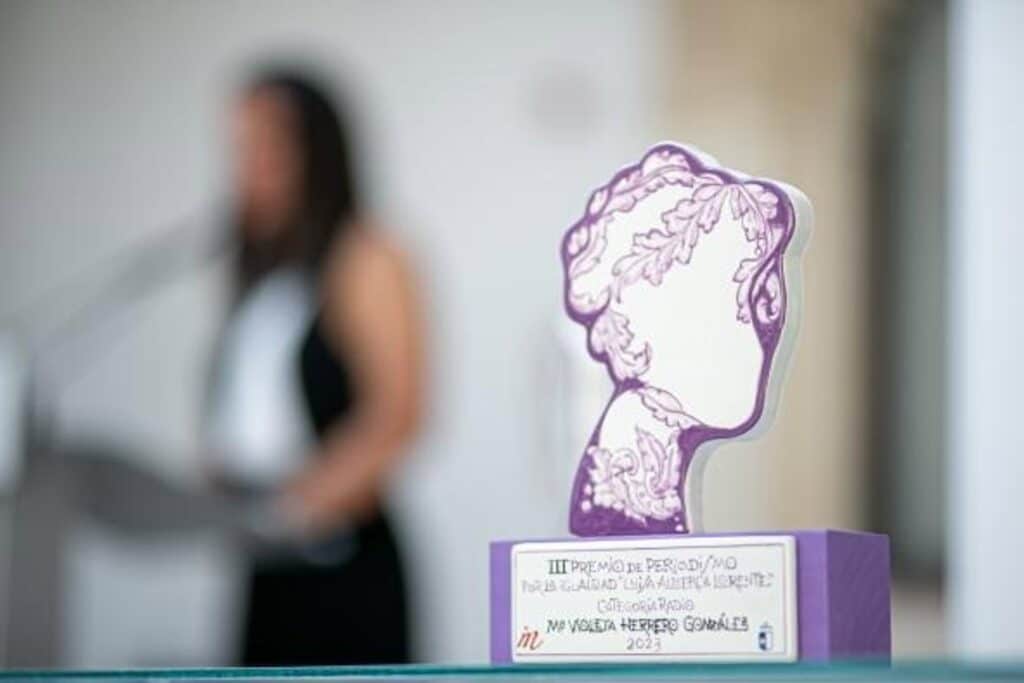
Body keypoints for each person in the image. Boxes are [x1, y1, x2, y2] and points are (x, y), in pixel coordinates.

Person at [203, 68, 423, 666]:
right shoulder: (262, 273)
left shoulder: (368, 256)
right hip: (264, 556)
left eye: (266, 145)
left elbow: (397, 415)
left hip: (341, 560)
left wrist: (296, 509)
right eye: (240, 148)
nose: (249, 166)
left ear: (316, 150)